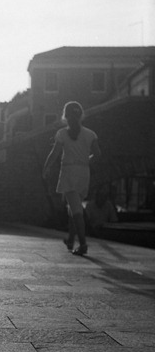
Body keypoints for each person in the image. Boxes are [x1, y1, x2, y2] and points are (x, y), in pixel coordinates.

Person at [42, 101, 101, 256]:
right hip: (84, 173)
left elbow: (55, 153)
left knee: (76, 210)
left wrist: (46, 167)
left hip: (69, 173)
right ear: (81, 115)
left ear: (65, 116)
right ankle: (70, 239)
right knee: (73, 207)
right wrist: (86, 160)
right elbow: (98, 155)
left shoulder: (62, 134)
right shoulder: (91, 134)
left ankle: (82, 244)